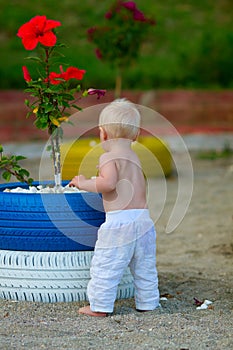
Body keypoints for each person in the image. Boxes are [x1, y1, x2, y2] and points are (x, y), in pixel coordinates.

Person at [69, 99, 160, 317]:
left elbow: (107, 184)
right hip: (144, 221)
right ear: (136, 136)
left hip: (120, 223)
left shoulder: (108, 156)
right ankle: (148, 303)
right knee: (145, 267)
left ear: (103, 134)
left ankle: (99, 306)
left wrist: (83, 182)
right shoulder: (134, 158)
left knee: (106, 265)